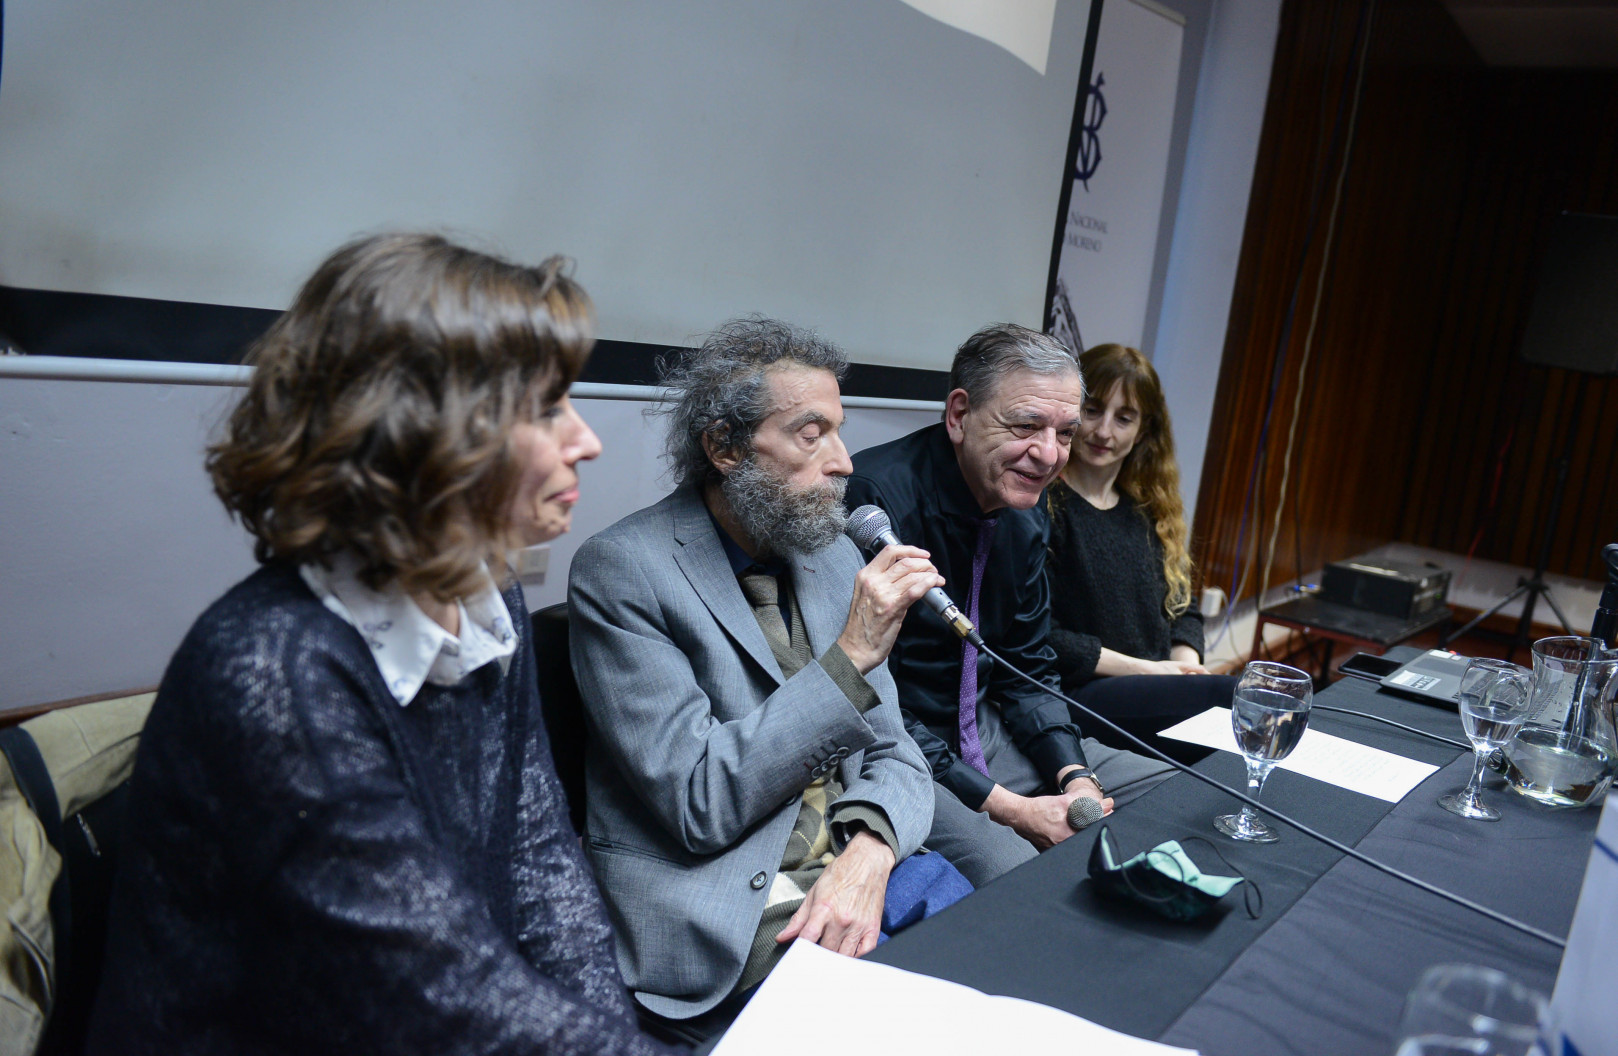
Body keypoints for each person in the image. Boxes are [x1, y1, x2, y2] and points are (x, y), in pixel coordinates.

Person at [88, 234, 671, 1055]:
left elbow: (539, 860)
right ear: (424, 430)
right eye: (547, 409)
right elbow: (436, 996)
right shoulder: (275, 672)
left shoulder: (484, 590)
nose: (588, 439)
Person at [567, 318, 937, 1042]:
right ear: (725, 447)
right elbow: (700, 802)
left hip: (858, 882)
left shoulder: (829, 557)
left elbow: (900, 757)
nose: (841, 462)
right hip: (732, 914)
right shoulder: (623, 572)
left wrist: (869, 852)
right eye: (810, 433)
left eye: (839, 430)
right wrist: (850, 657)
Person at [846, 324, 1174, 887]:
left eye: (1065, 433)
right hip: (901, 751)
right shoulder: (875, 500)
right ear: (958, 416)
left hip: (989, 729)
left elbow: (1027, 667)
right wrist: (1011, 809)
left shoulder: (1027, 508)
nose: (1049, 456)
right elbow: (872, 703)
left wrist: (1073, 775)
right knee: (1018, 874)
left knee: (1174, 793)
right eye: (1026, 426)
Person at [1046, 343, 1235, 765]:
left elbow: (1183, 610)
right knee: (1235, 698)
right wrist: (1151, 672)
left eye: (1124, 418)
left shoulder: (1147, 512)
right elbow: (1042, 636)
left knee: (1237, 710)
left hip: (1153, 684)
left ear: (1144, 431)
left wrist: (1184, 669)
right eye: (1092, 410)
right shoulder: (1044, 507)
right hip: (1077, 694)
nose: (1104, 432)